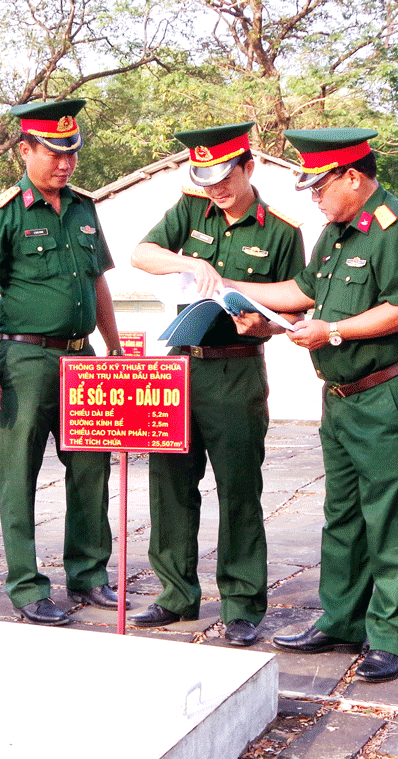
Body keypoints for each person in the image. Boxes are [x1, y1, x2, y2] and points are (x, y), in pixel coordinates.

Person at [223, 127, 398, 681]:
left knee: (390, 518)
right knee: (342, 516)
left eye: (320, 187)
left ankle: (389, 636)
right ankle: (342, 619)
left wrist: (332, 332)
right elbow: (302, 293)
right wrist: (229, 289)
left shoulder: (396, 227)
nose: (314, 198)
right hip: (341, 398)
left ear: (353, 178)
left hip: (388, 394)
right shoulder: (337, 232)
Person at [128, 122, 306, 646]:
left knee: (239, 490)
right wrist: (191, 260)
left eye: (224, 178)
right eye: (205, 180)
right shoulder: (191, 210)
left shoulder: (280, 229)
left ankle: (243, 604)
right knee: (169, 487)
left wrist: (265, 324)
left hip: (236, 369)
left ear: (248, 168)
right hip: (180, 366)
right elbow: (142, 253)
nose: (216, 189)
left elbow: (295, 299)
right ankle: (175, 595)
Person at [0, 99, 124, 626]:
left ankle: (89, 574)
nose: (66, 164)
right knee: (20, 474)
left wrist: (115, 348)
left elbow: (98, 281)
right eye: (55, 154)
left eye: (72, 154)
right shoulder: (2, 212)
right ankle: (26, 584)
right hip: (24, 359)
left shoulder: (84, 208)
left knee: (91, 469)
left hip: (82, 361)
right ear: (25, 149)